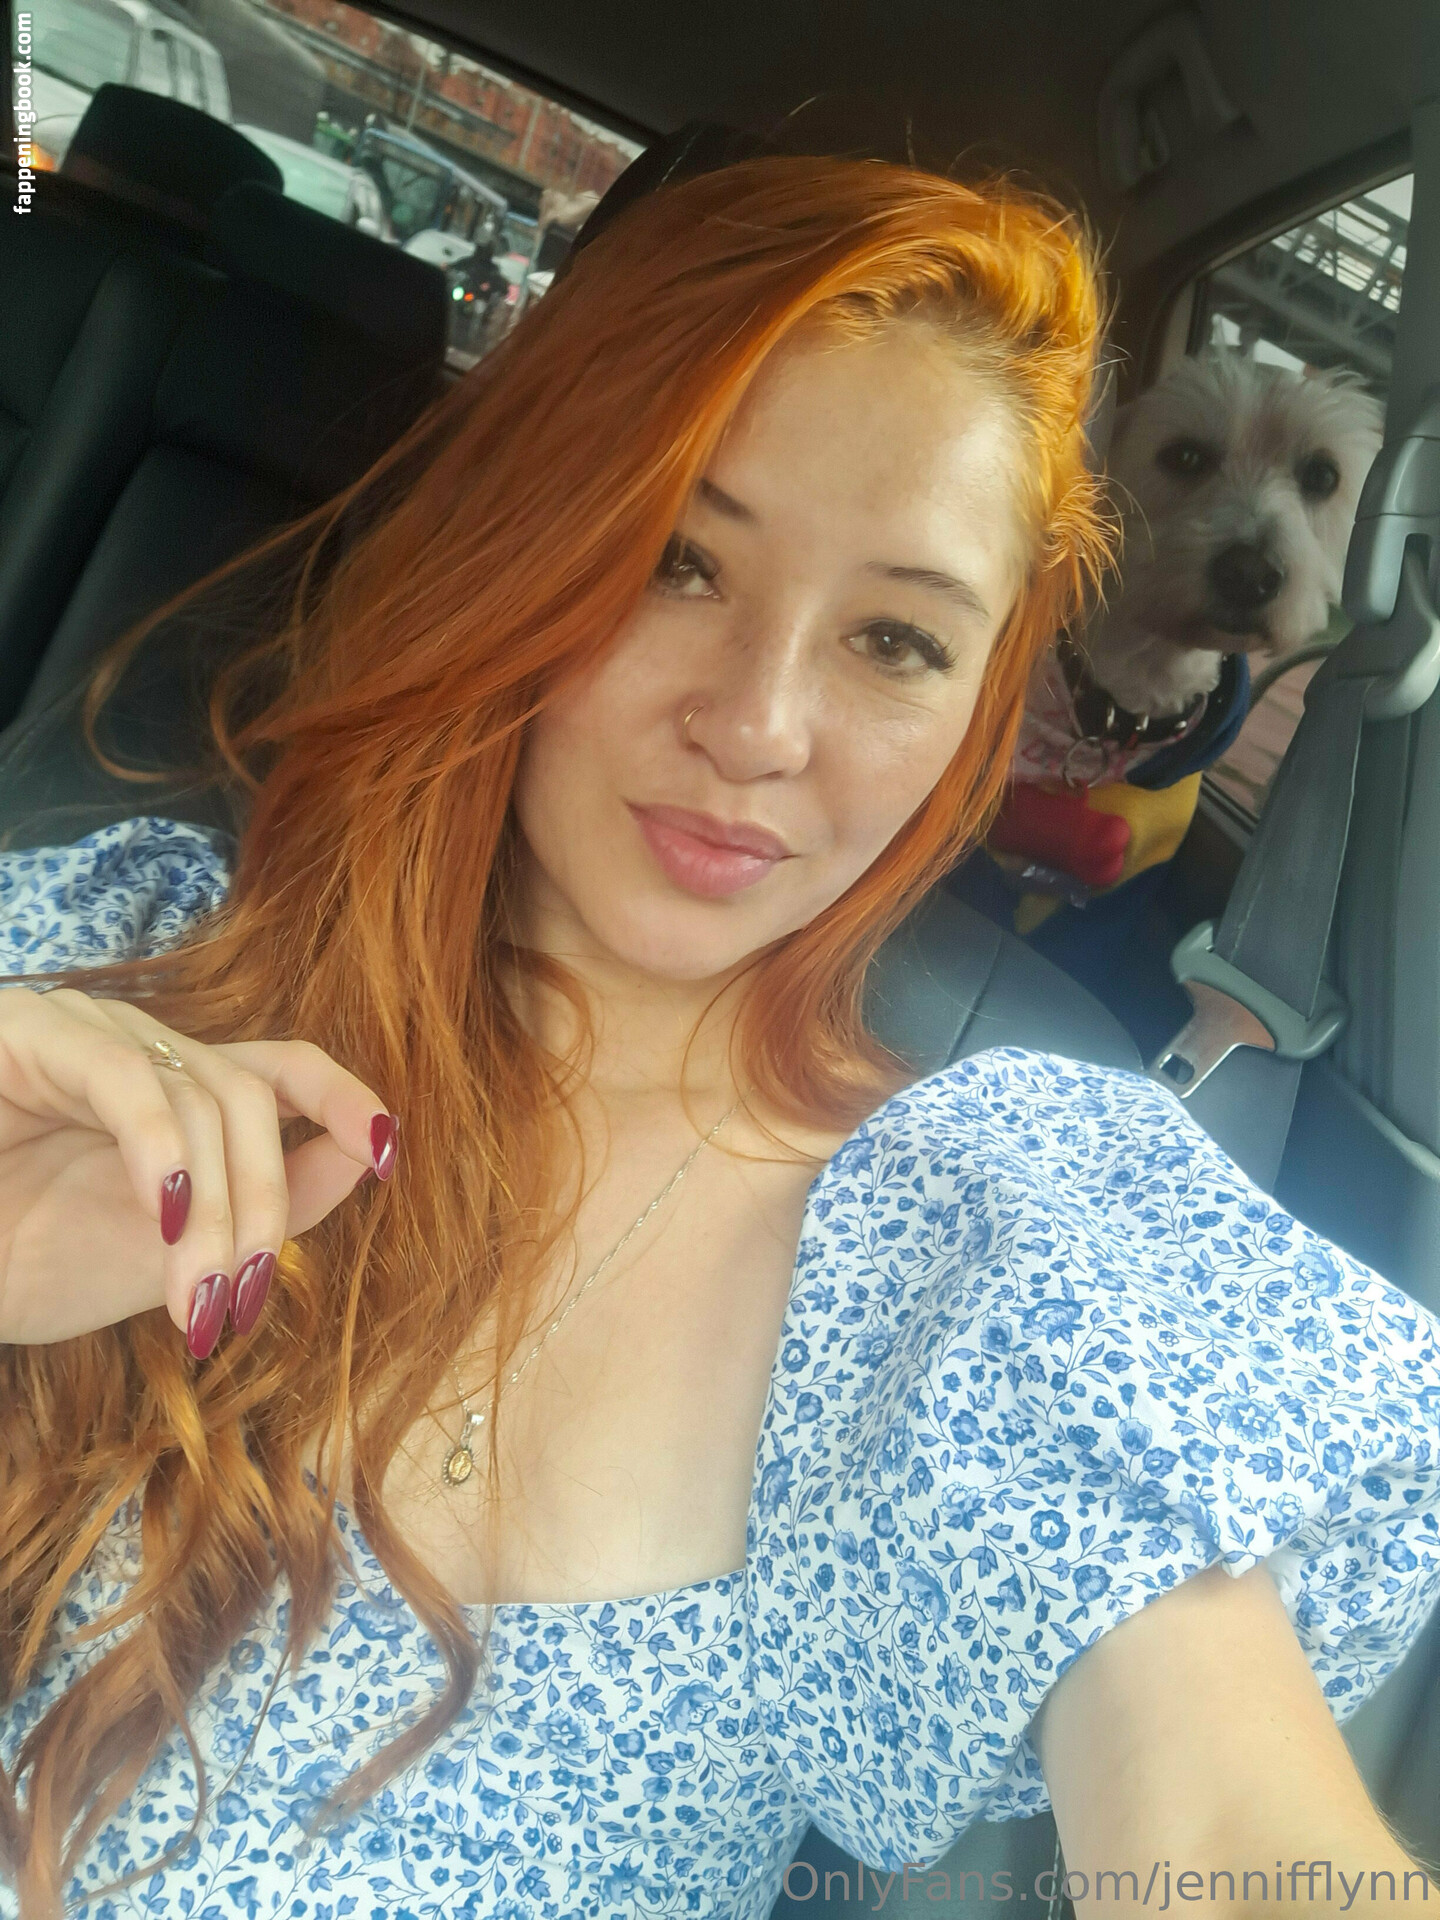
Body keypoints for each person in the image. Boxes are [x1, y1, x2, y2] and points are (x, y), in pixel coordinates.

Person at [0, 153, 1436, 1920]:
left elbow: (1232, 1840)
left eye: (896, 638)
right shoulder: (117, 976)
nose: (757, 726)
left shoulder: (995, 1242)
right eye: (678, 560)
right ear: (524, 539)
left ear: (982, 703)